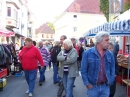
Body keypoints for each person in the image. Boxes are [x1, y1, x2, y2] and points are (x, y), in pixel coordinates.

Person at [81, 31, 115, 97]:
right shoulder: (87, 53)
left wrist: (110, 81)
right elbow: (83, 70)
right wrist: (87, 84)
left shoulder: (110, 54)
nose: (108, 42)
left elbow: (112, 70)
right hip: (92, 87)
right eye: (106, 40)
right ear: (99, 41)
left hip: (105, 87)